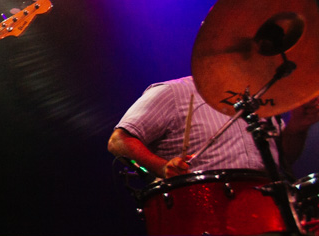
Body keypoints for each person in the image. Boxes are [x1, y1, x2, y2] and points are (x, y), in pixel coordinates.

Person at [108, 75, 318, 179]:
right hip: (202, 211)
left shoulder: (262, 99)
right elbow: (118, 141)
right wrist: (161, 166)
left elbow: (285, 158)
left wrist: (297, 126)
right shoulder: (174, 92)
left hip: (266, 210)